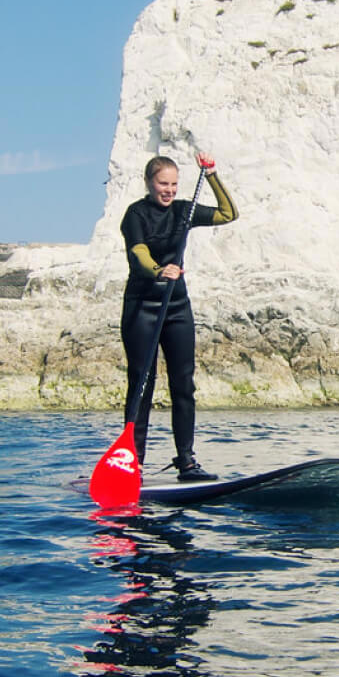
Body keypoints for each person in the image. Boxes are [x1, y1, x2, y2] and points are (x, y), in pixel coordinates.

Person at [120, 153, 238, 482]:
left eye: (174, 184)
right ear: (149, 183)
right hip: (142, 306)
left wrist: (211, 175)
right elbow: (139, 253)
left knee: (183, 386)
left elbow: (228, 213)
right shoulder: (136, 214)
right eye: (163, 184)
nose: (169, 190)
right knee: (142, 385)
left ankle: (186, 462)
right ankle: (133, 463)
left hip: (176, 306)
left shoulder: (184, 210)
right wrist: (160, 270)